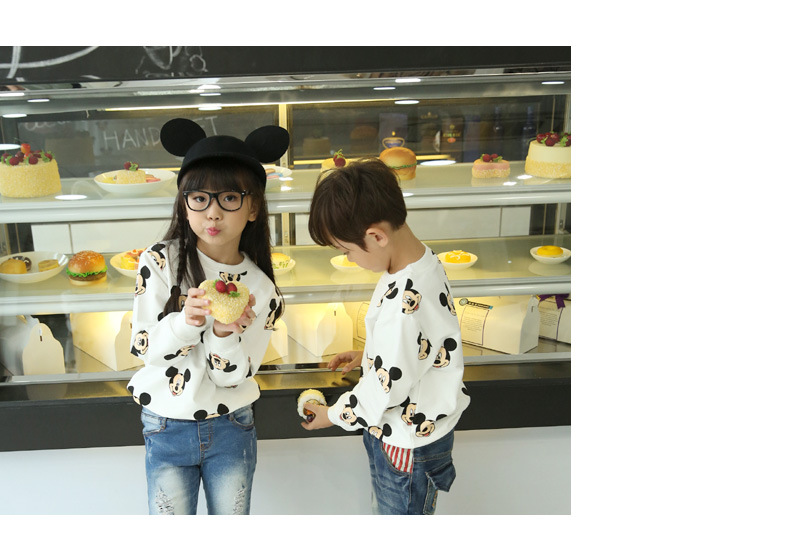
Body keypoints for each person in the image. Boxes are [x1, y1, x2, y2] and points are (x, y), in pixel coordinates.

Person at [126, 118, 290, 515]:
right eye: (199, 198)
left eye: (229, 198)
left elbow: (232, 377)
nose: (212, 213)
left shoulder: (261, 289)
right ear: (184, 204)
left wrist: (223, 332)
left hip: (231, 425)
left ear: (253, 207)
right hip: (166, 421)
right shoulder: (160, 261)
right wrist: (186, 323)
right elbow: (144, 348)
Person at [302, 158, 471, 514]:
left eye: (347, 250)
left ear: (377, 236)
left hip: (405, 445)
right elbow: (414, 347)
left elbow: (387, 389)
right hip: (414, 434)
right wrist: (370, 354)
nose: (349, 259)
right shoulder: (420, 262)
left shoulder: (405, 303)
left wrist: (331, 414)